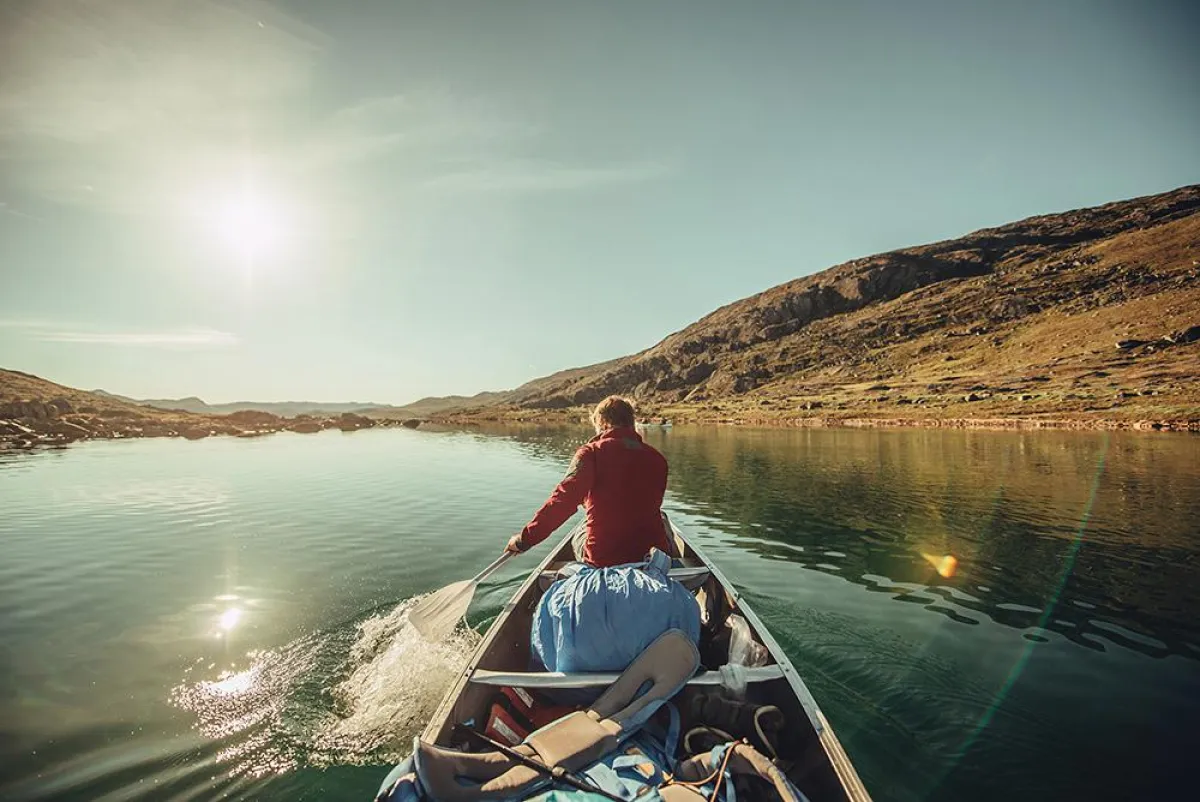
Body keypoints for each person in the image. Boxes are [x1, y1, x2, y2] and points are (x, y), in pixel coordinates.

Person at [505, 395, 674, 567]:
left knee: (583, 526)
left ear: (602, 422)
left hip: (603, 560)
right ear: (632, 422)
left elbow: (562, 502)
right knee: (662, 517)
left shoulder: (590, 453)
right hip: (652, 557)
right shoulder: (658, 458)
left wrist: (524, 540)